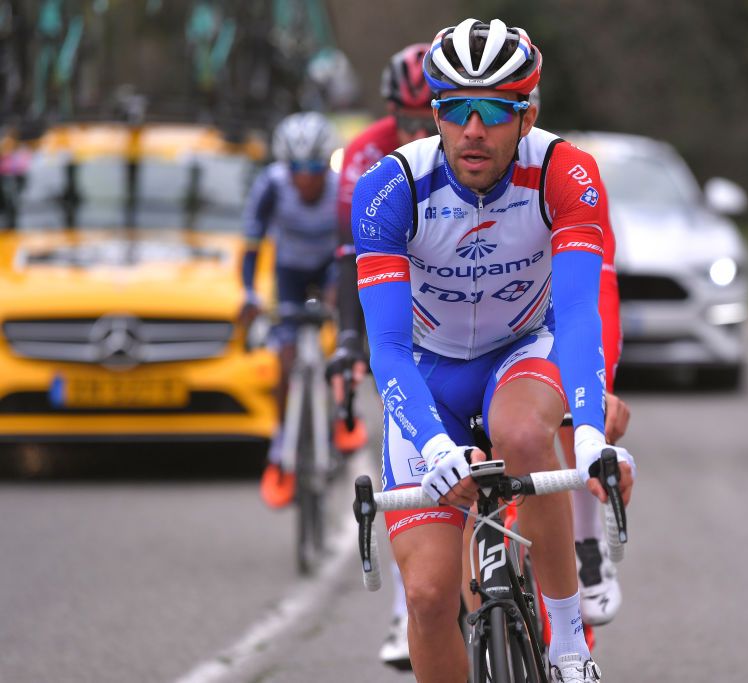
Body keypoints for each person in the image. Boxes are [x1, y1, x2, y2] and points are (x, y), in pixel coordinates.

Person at [350, 18, 635, 682]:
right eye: (454, 108)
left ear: (527, 113)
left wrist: (588, 431)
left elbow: (576, 314)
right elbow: (387, 349)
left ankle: (569, 647)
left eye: (494, 109)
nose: (472, 128)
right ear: (434, 113)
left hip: (521, 352)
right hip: (426, 371)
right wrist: (435, 447)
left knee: (521, 433)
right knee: (426, 596)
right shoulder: (391, 189)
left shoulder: (565, 172)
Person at [333, 41, 435, 671]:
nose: (421, 134)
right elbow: (350, 258)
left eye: (432, 120)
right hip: (395, 297)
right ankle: (406, 611)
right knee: (410, 449)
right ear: (390, 112)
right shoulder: (367, 153)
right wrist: (350, 342)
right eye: (409, 121)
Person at [239, 111, 341, 508]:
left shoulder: (339, 188)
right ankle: (283, 436)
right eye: (298, 167)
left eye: (316, 166)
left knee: (334, 336)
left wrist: (343, 304)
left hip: (330, 265)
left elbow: (356, 247)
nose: (307, 177)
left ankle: (337, 412)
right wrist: (248, 294)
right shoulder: (271, 185)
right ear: (286, 167)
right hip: (291, 271)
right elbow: (251, 244)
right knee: (285, 357)